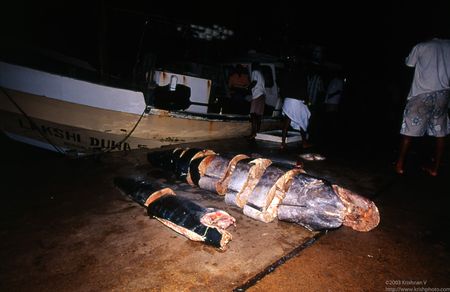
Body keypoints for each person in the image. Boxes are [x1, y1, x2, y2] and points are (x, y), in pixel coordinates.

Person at [394, 38, 450, 176]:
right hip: (443, 94)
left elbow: (409, 64)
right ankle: (435, 169)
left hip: (422, 93)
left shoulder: (422, 46)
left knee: (408, 130)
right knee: (440, 132)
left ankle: (400, 165)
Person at [278, 63, 312, 150]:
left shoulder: (288, 75)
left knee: (286, 123)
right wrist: (307, 101)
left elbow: (282, 87)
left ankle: (283, 143)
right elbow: (304, 90)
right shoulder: (302, 76)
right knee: (303, 121)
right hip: (295, 101)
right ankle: (304, 143)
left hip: (287, 101)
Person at [248, 62, 266, 140]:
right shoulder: (261, 74)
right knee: (258, 115)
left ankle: (253, 133)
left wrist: (247, 88)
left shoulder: (254, 72)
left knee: (253, 114)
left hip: (257, 95)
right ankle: (257, 133)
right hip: (262, 95)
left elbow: (254, 82)